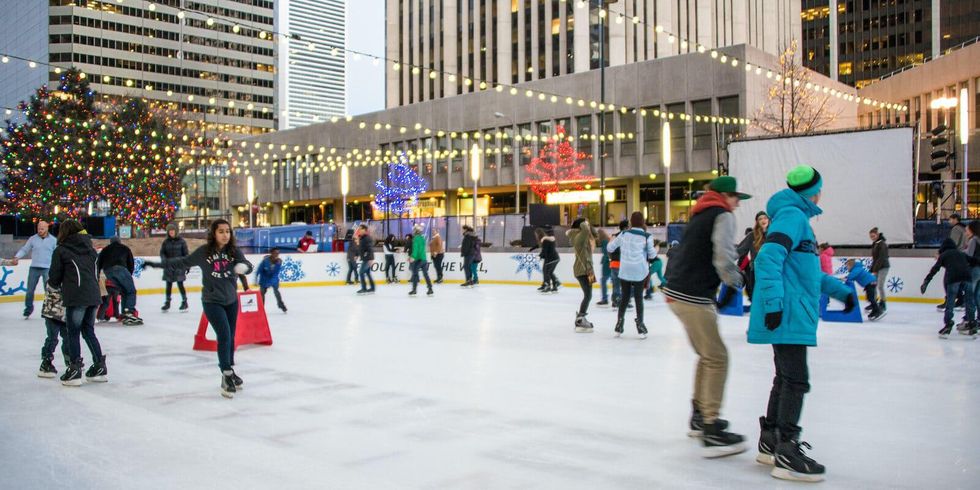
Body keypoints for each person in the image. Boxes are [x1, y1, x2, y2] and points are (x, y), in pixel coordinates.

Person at [748, 165, 855, 482]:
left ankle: (771, 440)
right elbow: (768, 257)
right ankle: (788, 450)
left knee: (785, 378)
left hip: (790, 309)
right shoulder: (793, 216)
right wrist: (773, 303)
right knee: (796, 380)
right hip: (788, 312)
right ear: (814, 192)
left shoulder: (793, 217)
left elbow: (806, 272)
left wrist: (842, 292)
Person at [662, 176, 750, 457]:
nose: (737, 204)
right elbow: (723, 256)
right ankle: (710, 427)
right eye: (736, 197)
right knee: (717, 357)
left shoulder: (699, 212)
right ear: (726, 196)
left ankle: (701, 415)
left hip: (677, 292)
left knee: (707, 355)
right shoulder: (721, 214)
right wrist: (737, 280)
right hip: (693, 295)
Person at [145, 219, 253, 398]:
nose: (225, 235)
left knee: (231, 337)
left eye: (228, 231)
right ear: (213, 234)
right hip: (212, 301)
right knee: (224, 335)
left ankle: (229, 369)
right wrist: (156, 264)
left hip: (231, 301)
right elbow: (181, 262)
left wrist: (245, 268)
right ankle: (226, 375)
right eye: (221, 232)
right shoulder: (204, 252)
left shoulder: (234, 251)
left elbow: (247, 265)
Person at [47, 220, 107, 387]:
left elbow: (54, 277)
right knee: (88, 331)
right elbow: (96, 273)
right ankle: (99, 366)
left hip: (76, 296)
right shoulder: (91, 250)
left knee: (72, 332)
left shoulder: (61, 251)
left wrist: (54, 285)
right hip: (94, 296)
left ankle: (74, 370)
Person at [607, 212, 656, 339]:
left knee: (625, 297)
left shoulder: (623, 234)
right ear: (643, 221)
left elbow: (610, 248)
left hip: (625, 270)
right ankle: (640, 325)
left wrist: (612, 239)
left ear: (631, 222)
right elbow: (652, 256)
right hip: (639, 270)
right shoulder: (647, 236)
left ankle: (619, 324)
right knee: (639, 298)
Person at [921, 238, 977, 338]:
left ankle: (948, 325)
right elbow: (974, 261)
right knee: (969, 301)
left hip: (953, 279)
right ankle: (972, 324)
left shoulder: (944, 255)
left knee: (950, 302)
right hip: (967, 277)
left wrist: (926, 282)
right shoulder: (961, 253)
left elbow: (934, 269)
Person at [10, 220, 57, 318]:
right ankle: (28, 308)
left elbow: (57, 254)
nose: (40, 230)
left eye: (42, 228)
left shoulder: (53, 240)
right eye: (39, 228)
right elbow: (25, 249)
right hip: (34, 267)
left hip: (47, 268)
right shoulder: (33, 239)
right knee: (30, 290)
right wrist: (17, 257)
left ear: (47, 228)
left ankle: (48, 309)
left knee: (47, 290)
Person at [97, 236, 142, 326]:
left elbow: (98, 264)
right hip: (121, 269)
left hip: (108, 272)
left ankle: (125, 312)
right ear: (119, 241)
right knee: (131, 291)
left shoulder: (105, 249)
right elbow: (131, 263)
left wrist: (98, 275)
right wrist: (128, 274)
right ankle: (129, 312)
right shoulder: (124, 248)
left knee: (124, 292)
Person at [568, 218, 597, 333]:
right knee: (588, 295)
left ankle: (581, 317)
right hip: (582, 271)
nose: (588, 225)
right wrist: (584, 223)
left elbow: (592, 233)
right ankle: (580, 318)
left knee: (589, 295)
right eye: (586, 223)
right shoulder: (578, 236)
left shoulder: (583, 236)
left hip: (588, 270)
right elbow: (586, 229)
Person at [736, 211, 770, 301]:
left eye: (765, 218)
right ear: (757, 222)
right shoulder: (752, 235)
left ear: (769, 220)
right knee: (756, 298)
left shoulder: (773, 234)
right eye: (760, 219)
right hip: (756, 271)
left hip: (771, 271)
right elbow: (740, 249)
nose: (763, 220)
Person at [160, 223, 189, 312]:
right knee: (168, 285)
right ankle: (167, 302)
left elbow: (186, 254)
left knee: (180, 284)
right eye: (170, 231)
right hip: (169, 266)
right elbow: (162, 253)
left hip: (179, 266)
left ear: (176, 231)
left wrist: (187, 265)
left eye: (173, 231)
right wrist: (164, 260)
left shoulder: (182, 241)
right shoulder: (165, 242)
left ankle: (184, 302)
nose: (171, 232)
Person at [256, 247, 287, 312]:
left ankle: (281, 305)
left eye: (278, 253)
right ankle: (261, 308)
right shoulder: (265, 261)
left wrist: (270, 283)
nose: (277, 255)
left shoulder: (279, 262)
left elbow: (276, 273)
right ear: (271, 253)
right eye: (275, 253)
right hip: (264, 280)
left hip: (273, 280)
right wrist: (256, 280)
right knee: (262, 293)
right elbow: (259, 270)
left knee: (276, 292)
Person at [408, 224, 434, 297]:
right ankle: (430, 289)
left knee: (415, 274)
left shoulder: (415, 238)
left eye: (414, 230)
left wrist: (412, 257)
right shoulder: (422, 238)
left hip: (418, 260)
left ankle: (414, 290)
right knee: (426, 274)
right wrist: (412, 256)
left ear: (415, 231)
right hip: (424, 259)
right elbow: (422, 249)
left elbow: (416, 249)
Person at [609, 220, 629, 309]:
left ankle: (615, 301)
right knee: (625, 285)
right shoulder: (627, 237)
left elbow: (609, 250)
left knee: (616, 284)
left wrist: (611, 259)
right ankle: (622, 302)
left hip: (614, 264)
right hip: (623, 264)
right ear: (626, 227)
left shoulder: (614, 236)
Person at [869, 227, 890, 313]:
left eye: (873, 236)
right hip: (877, 267)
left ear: (877, 235)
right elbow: (875, 258)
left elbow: (881, 258)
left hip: (883, 267)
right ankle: (874, 302)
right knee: (873, 285)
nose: (872, 238)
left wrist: (875, 270)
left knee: (880, 286)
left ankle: (883, 302)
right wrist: (872, 270)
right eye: (871, 236)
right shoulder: (875, 243)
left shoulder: (882, 244)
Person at [538, 226, 560, 293]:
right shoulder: (550, 239)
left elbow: (545, 250)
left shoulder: (546, 240)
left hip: (551, 259)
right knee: (549, 272)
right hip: (555, 258)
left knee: (547, 272)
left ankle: (548, 286)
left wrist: (540, 256)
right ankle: (556, 284)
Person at [356, 225, 376, 295]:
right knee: (367, 273)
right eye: (359, 229)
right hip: (365, 258)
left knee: (361, 273)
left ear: (364, 230)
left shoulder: (367, 238)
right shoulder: (362, 238)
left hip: (367, 259)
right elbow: (362, 249)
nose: (359, 230)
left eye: (360, 229)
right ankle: (372, 288)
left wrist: (371, 259)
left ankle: (364, 288)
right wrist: (358, 255)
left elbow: (370, 249)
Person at [597, 228, 612, 305]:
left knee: (603, 281)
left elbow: (607, 253)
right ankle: (615, 298)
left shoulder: (604, 241)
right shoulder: (607, 240)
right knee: (614, 281)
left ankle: (605, 298)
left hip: (607, 264)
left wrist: (605, 261)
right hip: (610, 263)